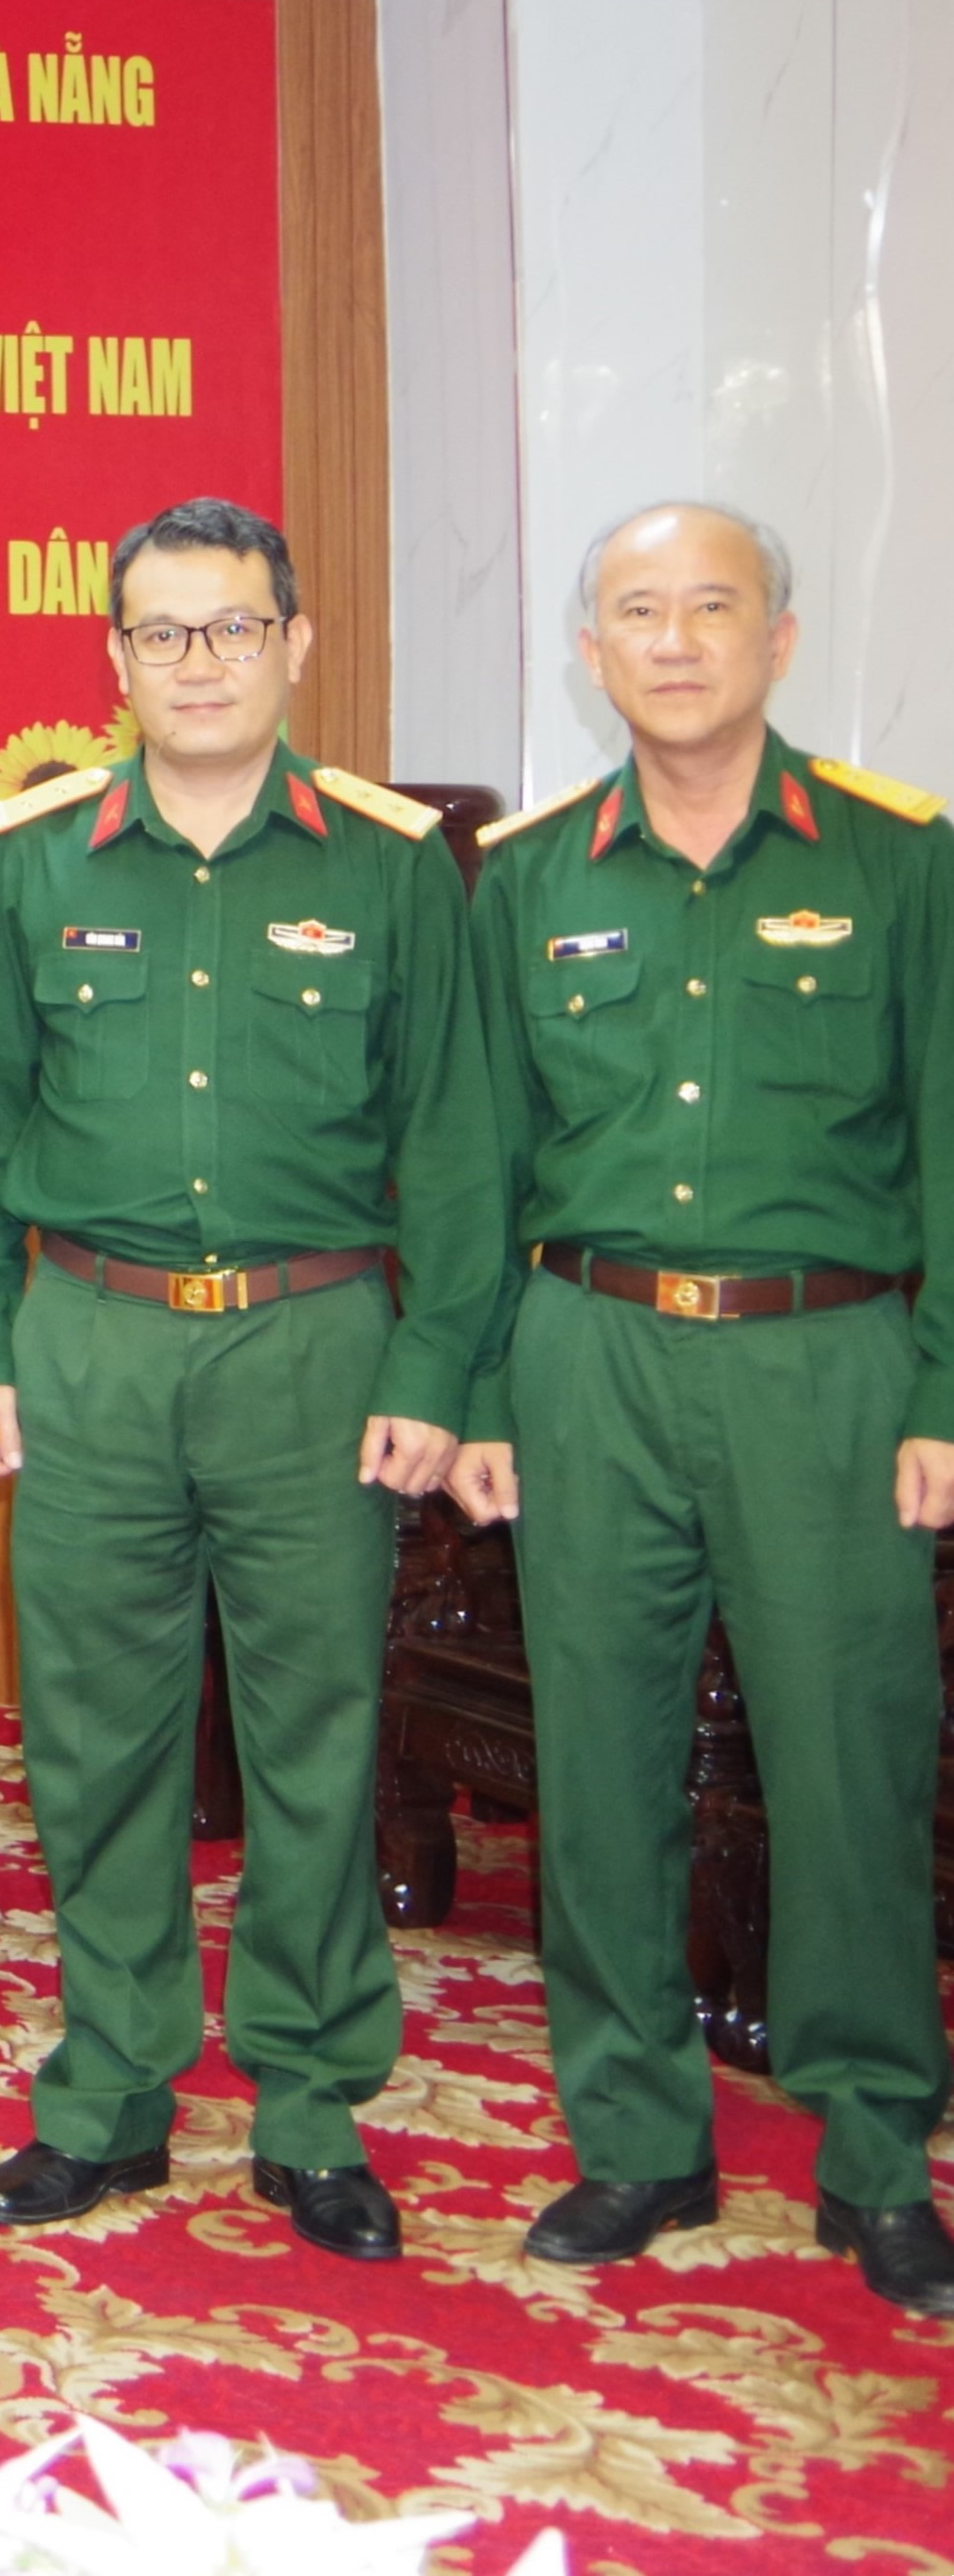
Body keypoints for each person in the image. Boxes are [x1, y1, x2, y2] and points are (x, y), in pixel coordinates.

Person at [0, 498, 497, 2262]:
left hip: (311, 1344)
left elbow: (455, 1146)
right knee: (93, 1736)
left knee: (313, 1728)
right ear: (112, 661)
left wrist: (428, 1367)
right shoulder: (37, 859)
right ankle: (106, 2089)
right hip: (88, 1339)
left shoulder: (387, 862)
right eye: (161, 634)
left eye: (230, 629)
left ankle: (312, 2097)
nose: (196, 663)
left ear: (292, 643)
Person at [450, 500, 954, 2314]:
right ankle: (635, 2140)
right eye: (633, 614)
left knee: (847, 1760)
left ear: (780, 640)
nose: (671, 641)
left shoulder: (900, 863)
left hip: (826, 1364)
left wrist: (947, 1386)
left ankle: (877, 2155)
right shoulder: (529, 878)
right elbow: (484, 1158)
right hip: (587, 1354)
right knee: (596, 1761)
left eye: (708, 608)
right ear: (590, 657)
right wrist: (485, 1386)